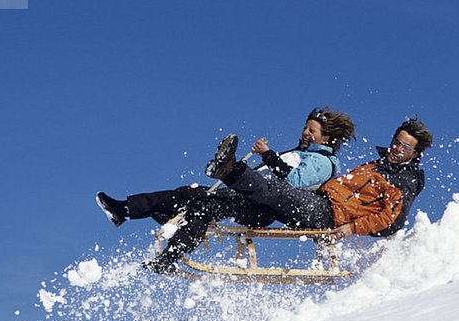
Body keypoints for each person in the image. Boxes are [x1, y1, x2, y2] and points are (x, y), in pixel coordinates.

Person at [137, 117, 431, 274]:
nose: (396, 149)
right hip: (319, 203)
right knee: (222, 200)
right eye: (396, 142)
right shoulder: (375, 166)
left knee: (278, 192)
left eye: (404, 147)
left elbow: (392, 220)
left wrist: (350, 228)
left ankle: (231, 170)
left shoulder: (404, 179)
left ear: (414, 154)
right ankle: (169, 252)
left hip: (327, 215)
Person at [96, 108, 356, 272]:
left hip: (263, 209)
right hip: (246, 194)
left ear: (326, 139)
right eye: (306, 127)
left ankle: (171, 256)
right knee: (189, 193)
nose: (306, 132)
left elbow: (294, 184)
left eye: (313, 130)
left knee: (206, 205)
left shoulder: (323, 162)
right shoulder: (297, 153)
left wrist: (269, 157)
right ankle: (126, 209)